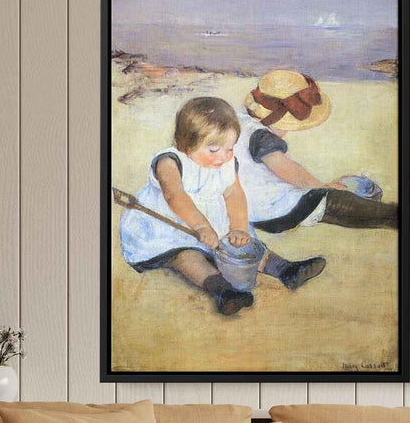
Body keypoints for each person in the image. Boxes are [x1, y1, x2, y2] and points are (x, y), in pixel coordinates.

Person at [120, 97, 326, 316]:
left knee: (245, 244)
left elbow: (234, 194)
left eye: (229, 148)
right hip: (169, 227)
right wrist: (200, 226)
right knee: (188, 258)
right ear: (186, 143)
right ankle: (223, 291)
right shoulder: (169, 161)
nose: (223, 157)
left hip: (212, 220)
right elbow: (175, 196)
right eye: (214, 150)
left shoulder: (227, 162)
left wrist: (238, 227)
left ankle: (285, 269)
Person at [235, 69, 399, 233]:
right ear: (277, 118)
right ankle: (392, 215)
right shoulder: (261, 137)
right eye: (288, 126)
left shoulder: (236, 122)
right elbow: (292, 173)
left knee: (341, 189)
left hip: (249, 210)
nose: (287, 132)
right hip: (274, 211)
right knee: (335, 201)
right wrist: (323, 186)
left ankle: (369, 199)